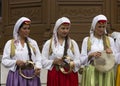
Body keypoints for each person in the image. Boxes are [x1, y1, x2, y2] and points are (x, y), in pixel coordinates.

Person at [2, 17, 42, 86]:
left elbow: (39, 58)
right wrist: (16, 62)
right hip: (16, 76)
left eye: (28, 28)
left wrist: (37, 68)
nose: (27, 31)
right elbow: (4, 60)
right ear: (18, 30)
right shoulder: (10, 43)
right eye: (24, 28)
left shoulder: (33, 43)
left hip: (32, 75)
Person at [41, 17, 81, 86]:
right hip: (55, 75)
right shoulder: (49, 43)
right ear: (57, 28)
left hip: (70, 75)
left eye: (67, 28)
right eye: (63, 28)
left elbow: (79, 61)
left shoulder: (73, 43)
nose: (65, 31)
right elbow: (43, 61)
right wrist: (54, 61)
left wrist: (71, 63)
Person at [81, 14, 116, 86]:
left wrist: (111, 53)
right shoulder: (87, 40)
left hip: (106, 72)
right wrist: (90, 55)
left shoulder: (110, 40)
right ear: (94, 27)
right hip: (92, 71)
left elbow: (115, 58)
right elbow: (81, 60)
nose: (101, 29)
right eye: (99, 27)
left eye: (103, 27)